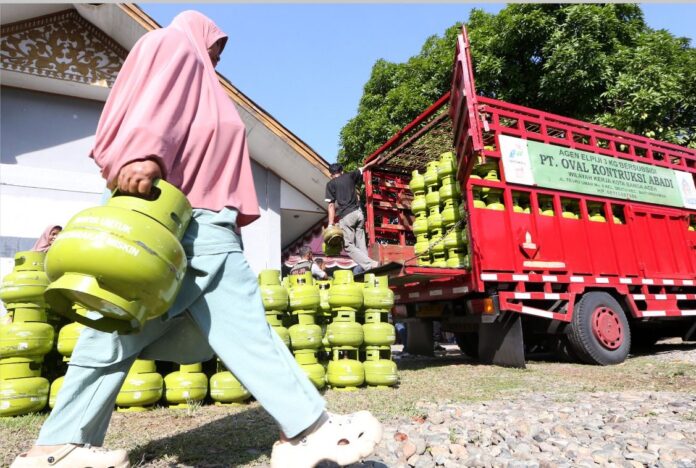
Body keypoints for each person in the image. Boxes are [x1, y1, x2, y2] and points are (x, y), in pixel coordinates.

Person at [12, 11, 381, 468]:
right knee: (242, 322)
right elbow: (156, 99)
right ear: (201, 33)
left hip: (182, 215)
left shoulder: (200, 74)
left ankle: (58, 445)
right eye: (217, 46)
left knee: (114, 332)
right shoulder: (178, 45)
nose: (218, 56)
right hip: (188, 214)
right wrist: (145, 153)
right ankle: (308, 430)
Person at [325, 160, 382, 273]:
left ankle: (371, 264)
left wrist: (330, 224)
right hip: (359, 214)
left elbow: (331, 205)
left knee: (348, 246)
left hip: (347, 216)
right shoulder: (350, 175)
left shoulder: (330, 184)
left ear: (331, 174)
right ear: (342, 171)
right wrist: (377, 160)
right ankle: (367, 267)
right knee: (360, 243)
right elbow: (365, 167)